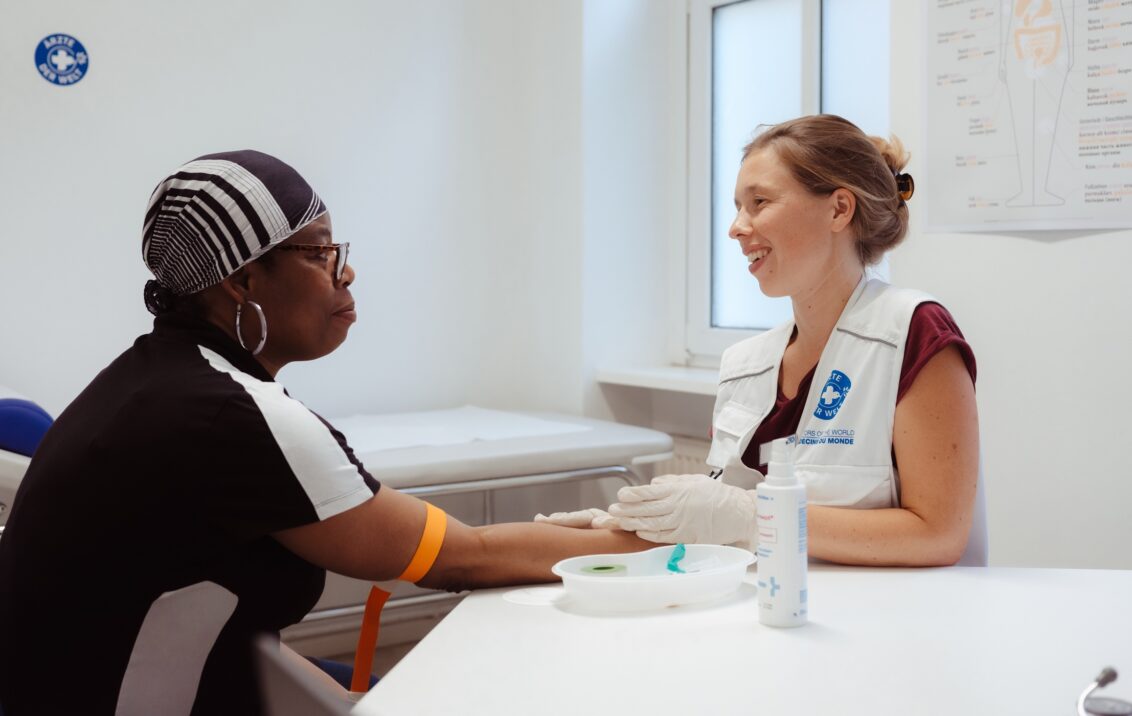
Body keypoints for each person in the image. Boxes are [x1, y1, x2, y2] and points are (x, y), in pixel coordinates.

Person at [0, 150, 647, 715]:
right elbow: (460, 557)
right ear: (241, 280)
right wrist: (665, 544)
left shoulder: (150, 379)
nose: (345, 272)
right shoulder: (225, 414)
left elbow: (228, 630)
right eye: (318, 252)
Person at [540, 115, 979, 567]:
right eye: (737, 207)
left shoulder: (913, 333)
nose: (736, 228)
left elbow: (938, 534)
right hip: (763, 611)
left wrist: (754, 515)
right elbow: (718, 525)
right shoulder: (746, 365)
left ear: (838, 209)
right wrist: (632, 524)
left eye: (759, 202)